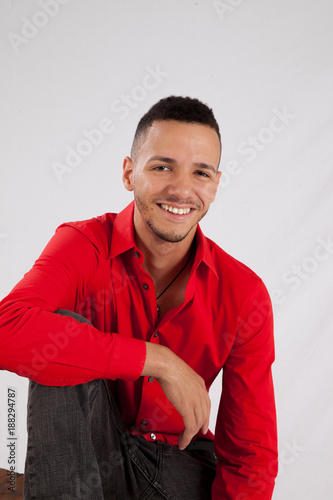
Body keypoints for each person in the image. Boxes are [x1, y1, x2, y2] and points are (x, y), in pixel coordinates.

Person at [0, 96, 277, 499]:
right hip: (89, 452)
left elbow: (250, 451)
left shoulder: (244, 293)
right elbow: (8, 331)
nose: (181, 189)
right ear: (129, 173)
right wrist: (157, 360)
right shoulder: (83, 245)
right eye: (162, 166)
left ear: (215, 185)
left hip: (179, 464)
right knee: (60, 331)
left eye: (200, 172)